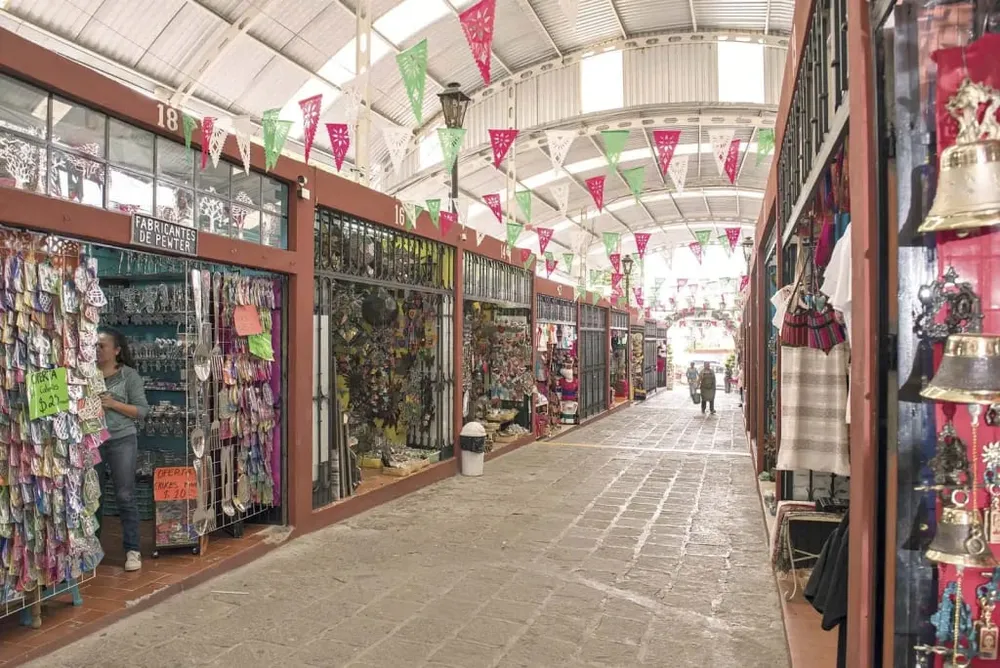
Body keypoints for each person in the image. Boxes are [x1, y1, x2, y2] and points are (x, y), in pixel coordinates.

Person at [96, 328, 149, 572]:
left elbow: (141, 411)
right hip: (93, 442)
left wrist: (113, 403)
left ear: (116, 350)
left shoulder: (129, 376)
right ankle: (92, 550)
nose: (97, 350)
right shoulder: (88, 374)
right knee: (92, 497)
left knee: (125, 495)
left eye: (102, 346)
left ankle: (132, 549)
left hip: (121, 439)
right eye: (95, 345)